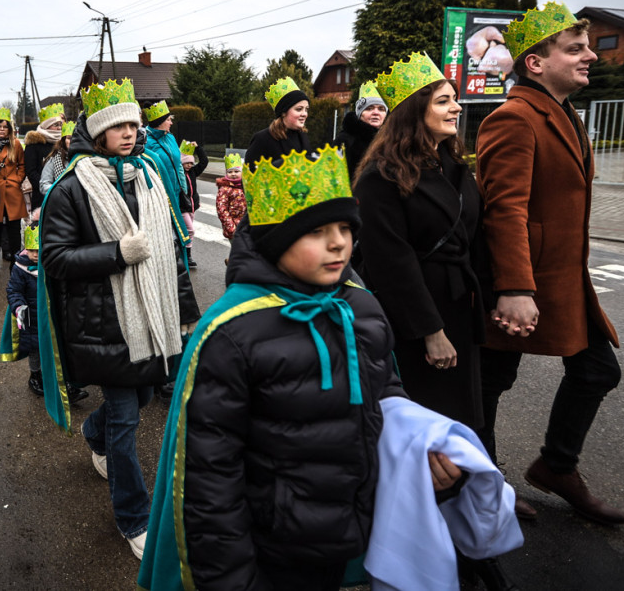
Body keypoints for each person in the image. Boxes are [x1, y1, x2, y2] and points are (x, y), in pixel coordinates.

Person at [139, 146, 464, 591]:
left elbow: (383, 394)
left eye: (346, 228)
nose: (338, 243)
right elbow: (210, 478)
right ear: (276, 240)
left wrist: (419, 451)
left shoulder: (362, 306)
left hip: (343, 530)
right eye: (317, 232)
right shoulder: (231, 333)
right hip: (271, 545)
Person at [353, 53, 513, 589]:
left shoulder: (454, 165)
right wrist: (429, 330)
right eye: (444, 100)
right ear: (413, 110)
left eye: (454, 99)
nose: (457, 106)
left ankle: (467, 535)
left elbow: (475, 241)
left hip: (461, 310)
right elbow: (390, 262)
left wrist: (497, 298)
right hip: (419, 321)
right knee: (431, 435)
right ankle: (428, 543)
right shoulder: (380, 178)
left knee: (465, 423)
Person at [475, 1, 624, 526]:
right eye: (576, 49)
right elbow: (505, 210)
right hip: (522, 281)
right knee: (491, 380)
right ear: (535, 63)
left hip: (565, 279)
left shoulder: (564, 114)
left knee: (598, 370)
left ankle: (556, 467)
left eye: (587, 47)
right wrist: (515, 287)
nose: (590, 55)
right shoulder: (514, 117)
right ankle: (484, 481)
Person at [39, 78, 200, 560]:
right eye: (117, 126)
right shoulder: (71, 187)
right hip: (105, 324)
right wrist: (116, 253)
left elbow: (171, 250)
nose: (129, 133)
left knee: (147, 393)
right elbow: (56, 258)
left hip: (154, 317)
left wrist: (185, 313)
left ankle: (94, 434)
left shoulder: (149, 174)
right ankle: (134, 517)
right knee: (127, 417)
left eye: (133, 123)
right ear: (97, 132)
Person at [3, 222, 88, 404]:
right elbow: (14, 291)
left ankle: (65, 385)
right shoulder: (20, 268)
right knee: (36, 351)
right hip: (33, 319)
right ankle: (35, 376)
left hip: (53, 317)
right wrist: (19, 307)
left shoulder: (52, 264)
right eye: (32, 250)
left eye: (39, 249)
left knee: (58, 350)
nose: (35, 254)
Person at [0, 108, 28, 272]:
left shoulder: (16, 144)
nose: (2, 129)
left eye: (5, 126)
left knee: (14, 229)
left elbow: (22, 165)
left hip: (12, 192)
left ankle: (14, 262)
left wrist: (17, 179)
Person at [142, 101, 189, 233]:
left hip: (176, 193)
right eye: (168, 120)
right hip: (160, 197)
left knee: (181, 231)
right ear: (160, 122)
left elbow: (178, 164)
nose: (171, 123)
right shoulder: (146, 141)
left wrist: (183, 189)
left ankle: (185, 254)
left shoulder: (170, 138)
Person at [244, 76, 310, 169]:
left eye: (306, 109)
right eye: (299, 109)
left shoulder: (303, 137)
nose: (304, 114)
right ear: (283, 112)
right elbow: (249, 176)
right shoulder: (262, 139)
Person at [336, 79, 387, 180]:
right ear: (360, 113)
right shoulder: (345, 140)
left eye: (381, 109)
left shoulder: (390, 139)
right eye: (369, 108)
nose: (376, 112)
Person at [25, 103, 63, 209]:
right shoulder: (34, 144)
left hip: (63, 194)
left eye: (60, 125)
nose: (59, 128)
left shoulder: (64, 142)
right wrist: (47, 187)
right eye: (56, 125)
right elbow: (31, 171)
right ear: (46, 126)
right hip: (42, 195)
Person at [178, 140, 208, 268]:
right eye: (186, 163)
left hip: (192, 206)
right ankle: (188, 256)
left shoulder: (193, 172)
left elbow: (204, 162)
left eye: (191, 162)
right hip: (183, 207)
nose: (189, 165)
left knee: (186, 231)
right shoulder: (178, 174)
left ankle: (183, 254)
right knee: (190, 230)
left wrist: (198, 148)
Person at [38, 121, 74, 196]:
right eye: (69, 138)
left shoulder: (84, 159)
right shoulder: (53, 160)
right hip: (60, 201)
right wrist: (61, 192)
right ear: (64, 140)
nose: (72, 141)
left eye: (74, 138)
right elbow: (44, 185)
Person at [215, 152, 246, 241]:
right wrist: (231, 228)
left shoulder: (245, 186)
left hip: (246, 227)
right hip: (234, 228)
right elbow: (222, 209)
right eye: (230, 172)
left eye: (236, 171)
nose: (233, 174)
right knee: (238, 252)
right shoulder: (224, 189)